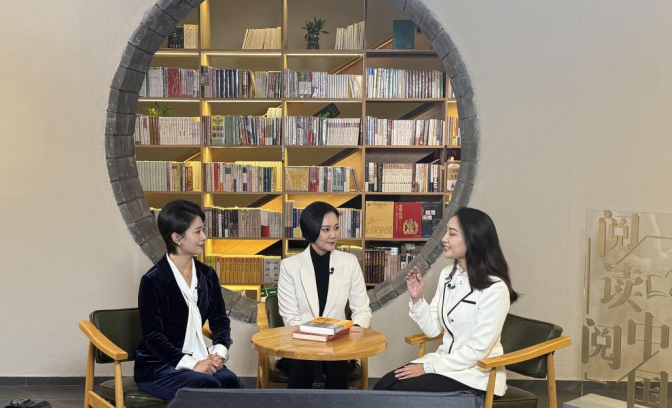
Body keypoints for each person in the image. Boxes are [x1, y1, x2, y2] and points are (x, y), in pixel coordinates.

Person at [374, 207, 518, 398]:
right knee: (383, 385)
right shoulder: (447, 275)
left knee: (398, 393)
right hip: (445, 364)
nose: (444, 239)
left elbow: (477, 351)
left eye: (452, 233)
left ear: (473, 239)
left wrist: (428, 367)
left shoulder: (495, 289)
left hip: (476, 373)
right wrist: (418, 299)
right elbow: (433, 330)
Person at [134, 200, 243, 401]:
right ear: (177, 238)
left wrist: (218, 354)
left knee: (230, 381)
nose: (204, 237)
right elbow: (153, 337)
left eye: (203, 230)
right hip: (159, 366)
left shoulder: (207, 275)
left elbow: (219, 321)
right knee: (207, 385)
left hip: (200, 357)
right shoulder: (153, 280)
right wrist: (193, 364)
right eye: (197, 232)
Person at [277, 201, 372, 389]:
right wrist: (314, 340)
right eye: (326, 230)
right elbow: (290, 317)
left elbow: (362, 310)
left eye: (336, 228)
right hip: (302, 343)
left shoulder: (350, 262)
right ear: (311, 231)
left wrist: (354, 333)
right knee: (302, 367)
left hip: (339, 343)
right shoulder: (290, 266)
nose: (333, 235)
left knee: (336, 366)